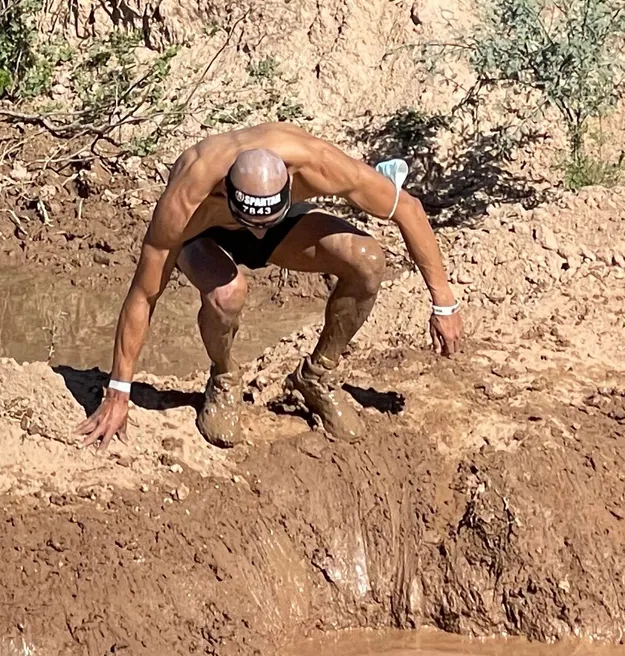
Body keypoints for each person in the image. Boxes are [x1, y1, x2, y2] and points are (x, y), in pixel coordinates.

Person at [77, 122, 460, 449]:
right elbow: (144, 294)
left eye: (265, 223)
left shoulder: (318, 163)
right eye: (251, 223)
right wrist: (118, 392)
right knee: (228, 293)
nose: (257, 232)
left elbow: (407, 208)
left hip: (284, 225)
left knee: (368, 260)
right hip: (205, 233)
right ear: (226, 192)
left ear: (290, 185)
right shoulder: (189, 196)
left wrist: (444, 304)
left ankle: (317, 376)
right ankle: (224, 378)